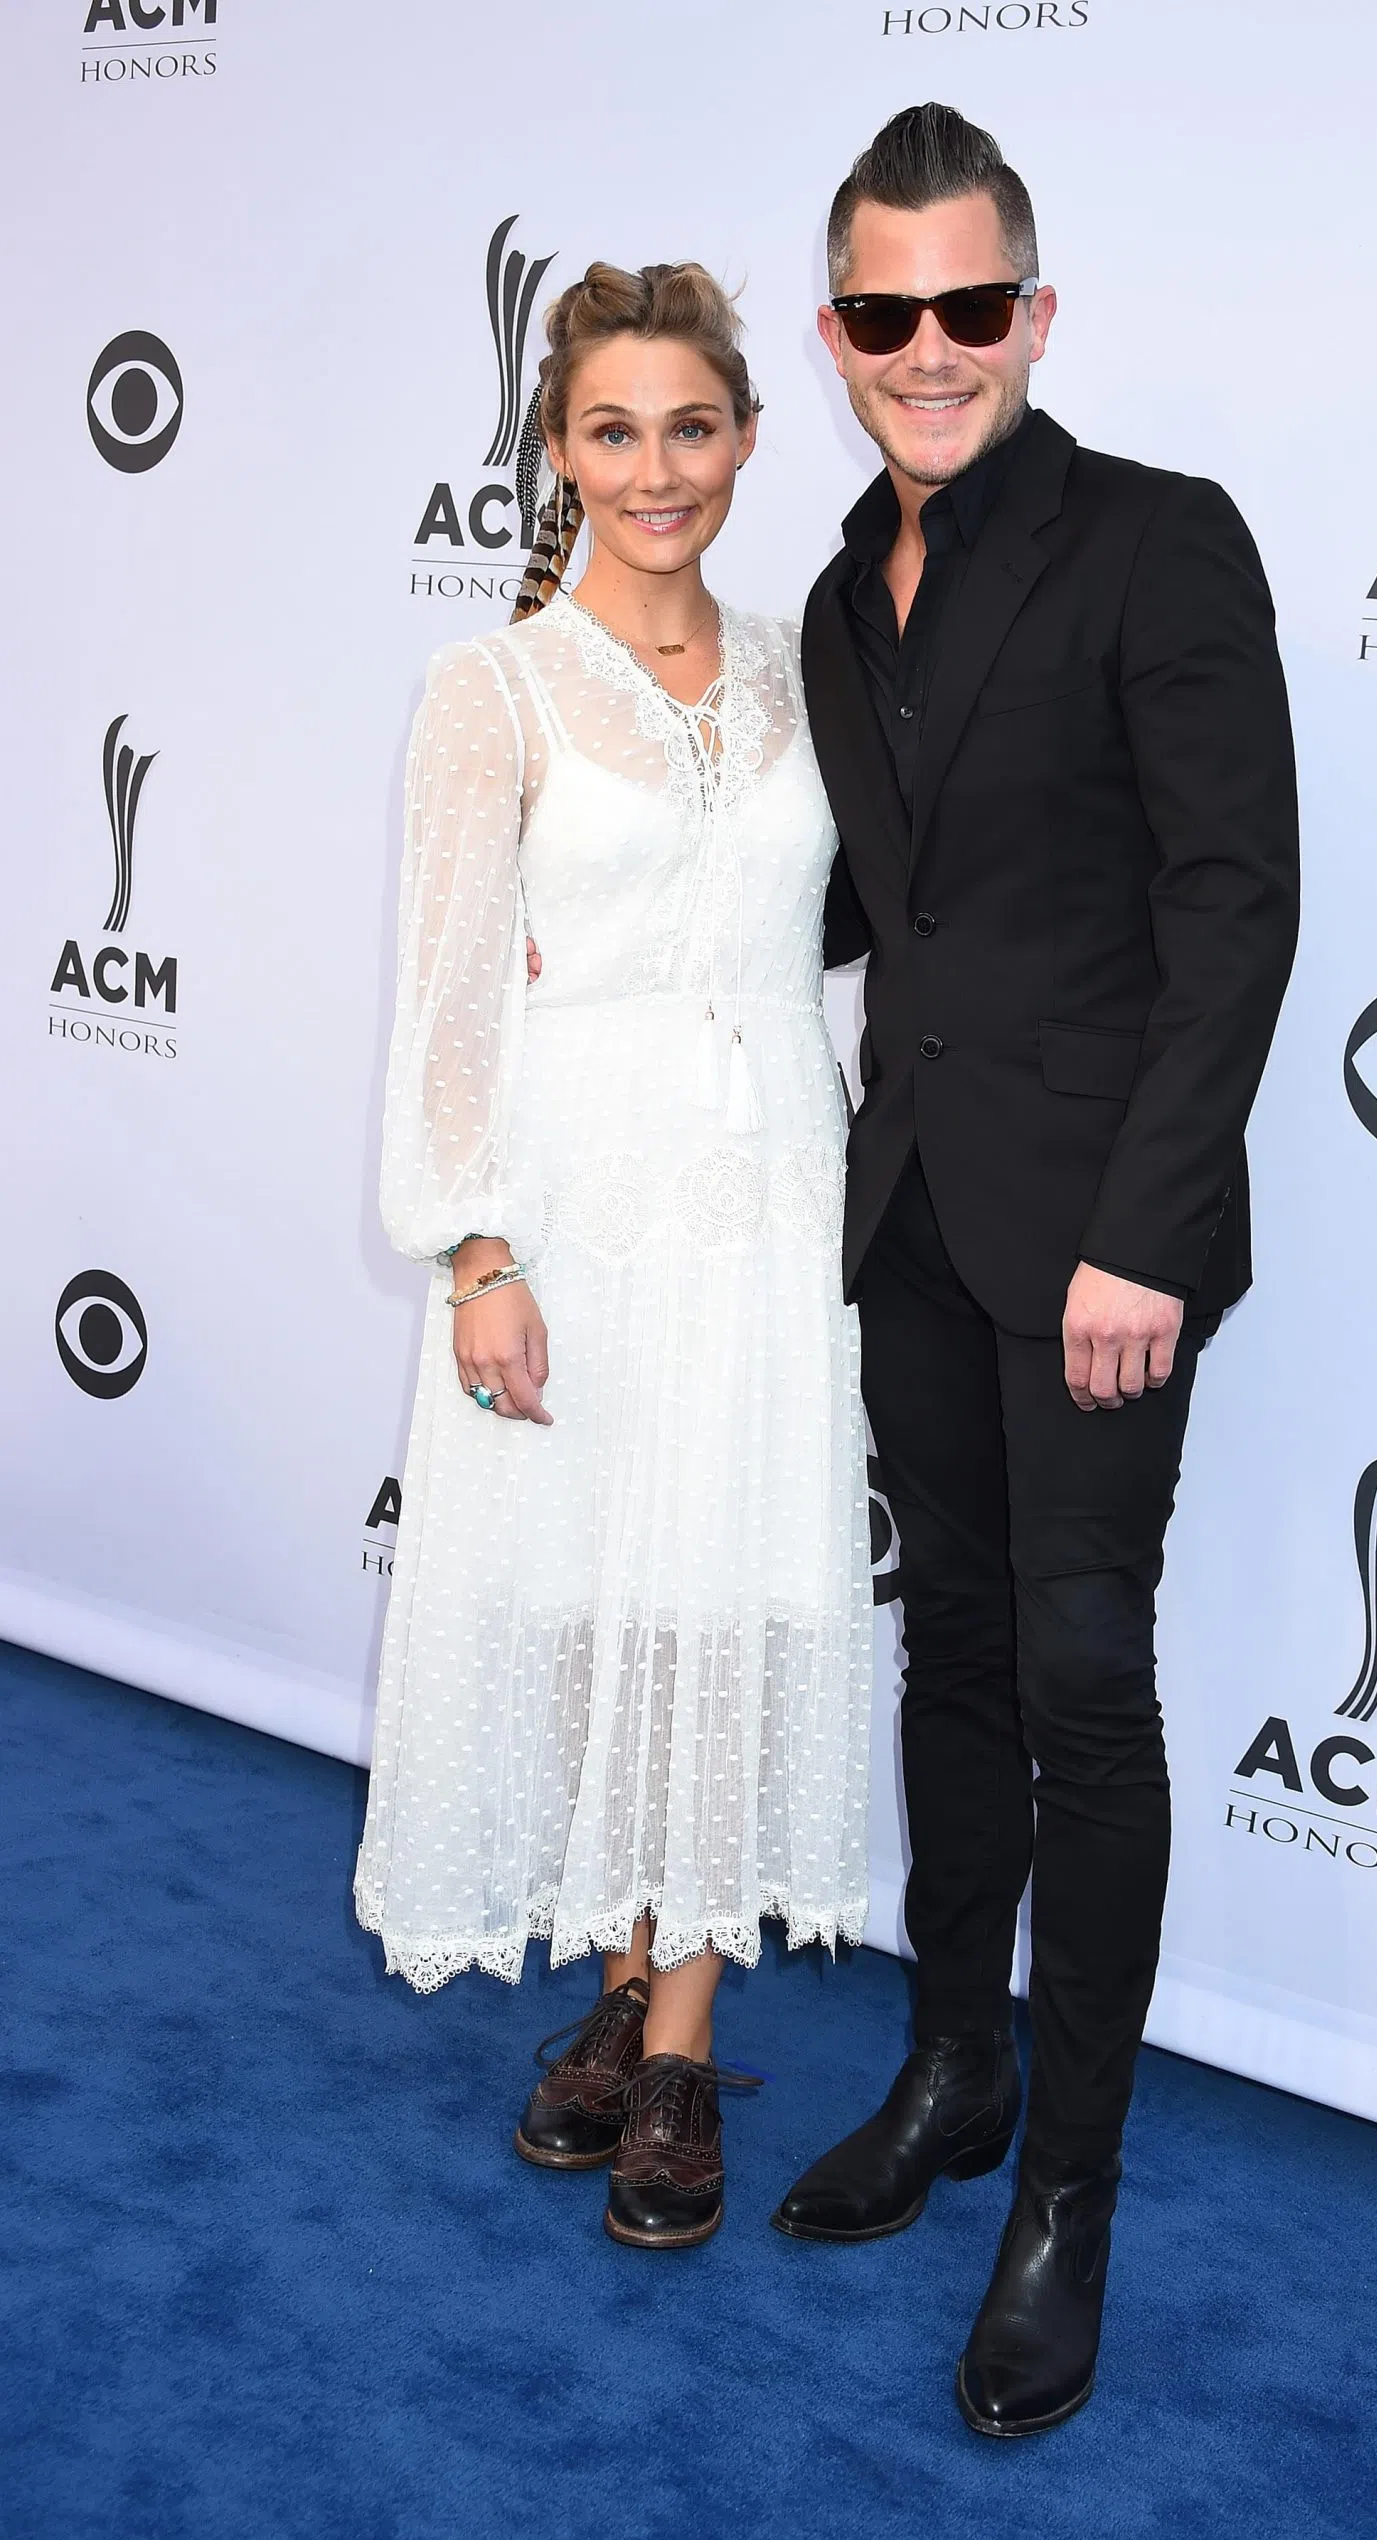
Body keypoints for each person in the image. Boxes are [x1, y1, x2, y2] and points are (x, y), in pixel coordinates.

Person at [772, 107, 1300, 2434]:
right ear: (833, 333)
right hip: (907, 1220)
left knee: (1085, 1693)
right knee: (956, 1663)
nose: (928, 347)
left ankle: (1064, 2194)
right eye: (883, 311)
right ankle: (951, 2063)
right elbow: (860, 902)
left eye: (967, 305)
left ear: (1033, 314)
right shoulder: (827, 598)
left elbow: (1231, 907)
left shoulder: (1156, 541)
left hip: (1095, 1249)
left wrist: (1143, 1233)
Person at [354, 262, 873, 2252]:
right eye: (611, 431)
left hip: (772, 1199)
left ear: (745, 437)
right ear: (558, 454)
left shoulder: (806, 666)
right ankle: (616, 1975)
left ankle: (671, 2043)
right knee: (586, 1602)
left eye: (690, 427)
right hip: (573, 1201)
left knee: (721, 1602)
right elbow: (448, 990)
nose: (656, 470)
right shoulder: (488, 689)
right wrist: (474, 1247)